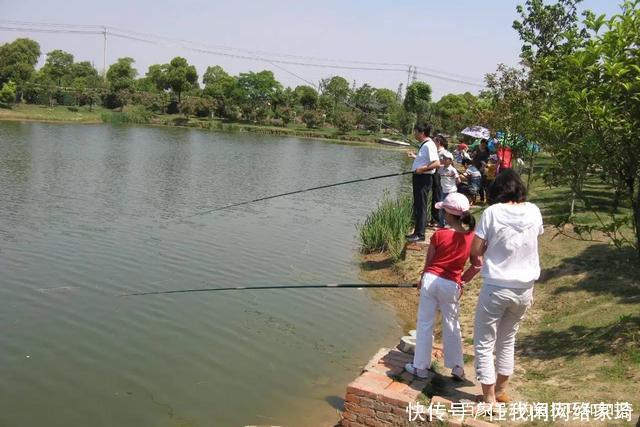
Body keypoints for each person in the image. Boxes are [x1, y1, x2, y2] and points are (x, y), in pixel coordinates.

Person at [470, 169, 544, 404]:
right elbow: (534, 237)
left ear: (497, 190)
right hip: (524, 289)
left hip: (496, 286)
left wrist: (480, 257)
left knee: (484, 342)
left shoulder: (491, 213)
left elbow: (475, 251)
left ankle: (489, 397)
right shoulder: (534, 210)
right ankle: (502, 390)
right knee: (507, 339)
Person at [404, 193, 481, 380]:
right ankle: (457, 367)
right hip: (451, 285)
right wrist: (462, 280)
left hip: (431, 281)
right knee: (452, 324)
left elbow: (429, 262)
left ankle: (420, 367)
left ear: (447, 214)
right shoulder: (471, 237)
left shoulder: (439, 234)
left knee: (425, 323)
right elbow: (478, 264)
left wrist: (422, 278)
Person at [406, 123, 440, 242]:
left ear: (421, 133)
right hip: (420, 178)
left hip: (423, 178)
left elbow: (436, 163)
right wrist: (416, 158)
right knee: (418, 205)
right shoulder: (425, 145)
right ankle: (417, 232)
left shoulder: (429, 145)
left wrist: (422, 169)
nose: (414, 134)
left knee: (421, 206)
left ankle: (420, 234)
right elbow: (425, 160)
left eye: (415, 131)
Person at [430, 135, 450, 227]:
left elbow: (447, 166)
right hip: (435, 176)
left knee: (438, 197)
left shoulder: (444, 153)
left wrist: (435, 165)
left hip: (440, 178)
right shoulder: (436, 152)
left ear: (438, 142)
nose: (432, 143)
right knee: (434, 197)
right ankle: (434, 219)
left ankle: (439, 220)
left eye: (433, 141)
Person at [437, 151, 460, 228]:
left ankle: (448, 224)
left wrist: (455, 177)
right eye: (443, 158)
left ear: (450, 161)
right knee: (441, 209)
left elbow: (458, 180)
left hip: (451, 192)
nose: (443, 159)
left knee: (449, 209)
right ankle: (442, 224)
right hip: (443, 191)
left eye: (446, 158)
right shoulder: (440, 168)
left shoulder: (453, 170)